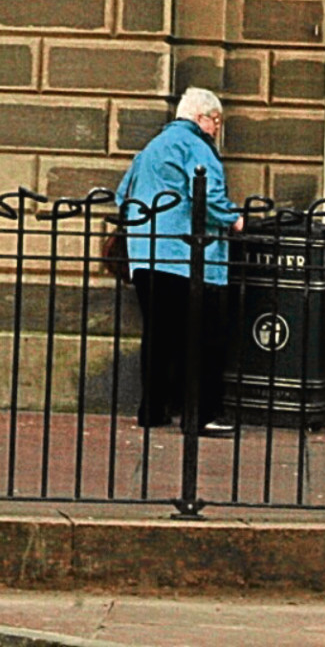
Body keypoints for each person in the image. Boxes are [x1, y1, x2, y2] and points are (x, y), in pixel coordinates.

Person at [116, 86, 239, 434]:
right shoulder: (197, 146)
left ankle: (152, 410)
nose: (216, 128)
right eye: (215, 121)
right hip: (185, 257)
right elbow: (209, 197)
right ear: (201, 118)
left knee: (158, 336)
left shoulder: (151, 148)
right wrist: (235, 218)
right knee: (201, 338)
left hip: (145, 256)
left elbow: (121, 195)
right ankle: (202, 415)